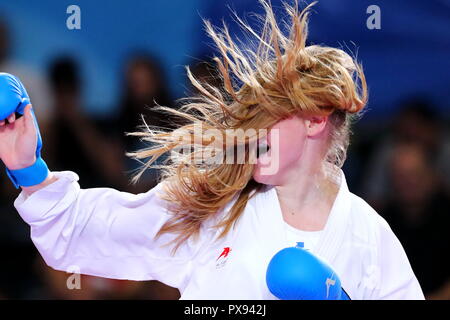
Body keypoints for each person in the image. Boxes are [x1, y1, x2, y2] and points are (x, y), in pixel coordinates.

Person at [0, 1, 424, 299]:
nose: (252, 131)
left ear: (315, 120)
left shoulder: (369, 240)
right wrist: (28, 169)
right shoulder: (214, 208)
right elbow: (86, 232)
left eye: (270, 116)